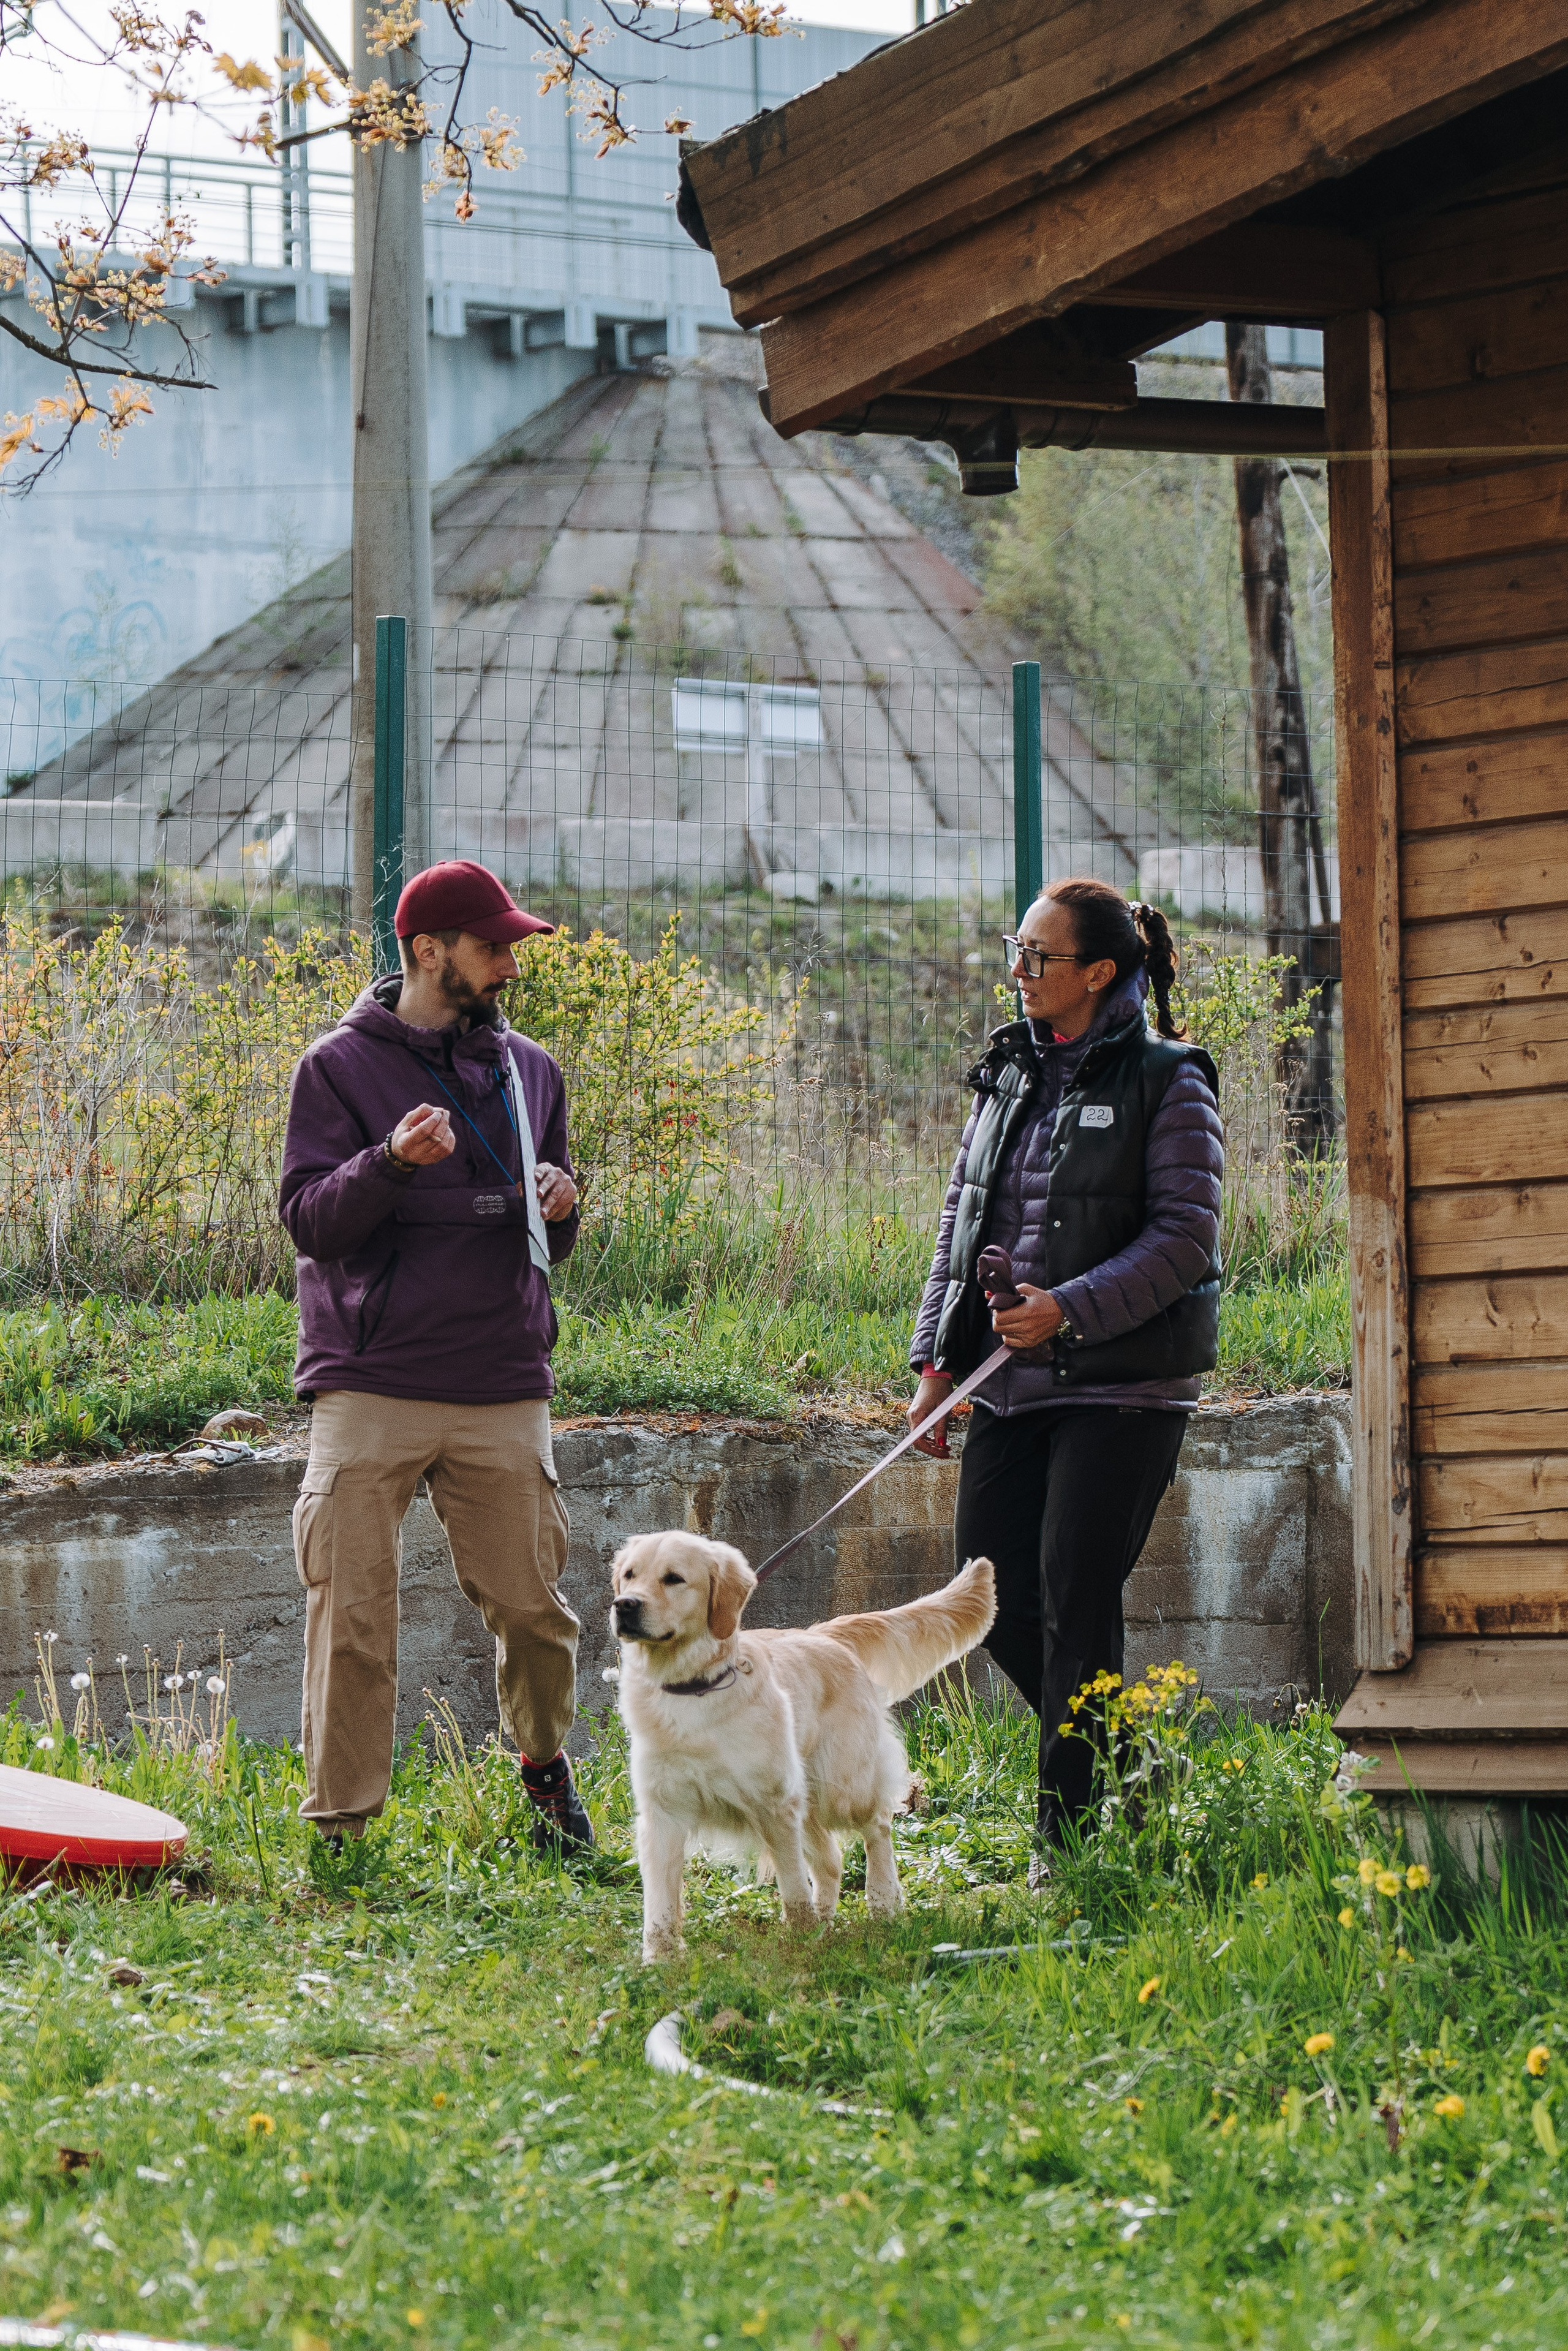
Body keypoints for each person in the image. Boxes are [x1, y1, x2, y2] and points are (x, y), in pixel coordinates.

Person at [907, 877, 1224, 1876]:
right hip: (1007, 1379)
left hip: (1122, 1387)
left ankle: (1070, 1838)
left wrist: (1070, 1309)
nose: (1019, 968)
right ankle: (1127, 1768)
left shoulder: (1170, 1080)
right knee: (992, 1586)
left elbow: (1186, 1240)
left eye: (1040, 956)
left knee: (1074, 1590)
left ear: (1098, 972)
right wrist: (936, 1363)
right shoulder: (1008, 1076)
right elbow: (963, 1228)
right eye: (1017, 947)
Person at [279, 858, 592, 1852]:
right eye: (493, 944)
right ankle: (342, 1832)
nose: (510, 962)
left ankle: (544, 1771)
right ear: (428, 950)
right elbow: (308, 1221)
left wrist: (563, 1200)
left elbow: (556, 1221)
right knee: (353, 1620)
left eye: (511, 945)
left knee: (537, 1614)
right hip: (371, 1384)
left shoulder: (530, 1068)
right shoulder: (336, 1067)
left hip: (501, 1379)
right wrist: (386, 1163)